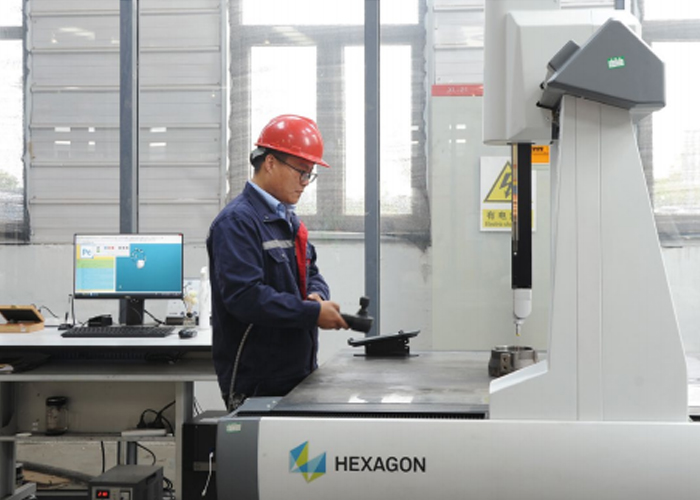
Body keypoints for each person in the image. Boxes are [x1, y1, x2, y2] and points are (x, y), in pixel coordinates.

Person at [206, 114, 348, 411]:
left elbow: (310, 271)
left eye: (310, 175)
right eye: (301, 172)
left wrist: (317, 295)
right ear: (270, 163)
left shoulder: (286, 219)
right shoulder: (237, 222)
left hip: (296, 374)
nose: (305, 183)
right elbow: (245, 297)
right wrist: (311, 313)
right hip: (258, 383)